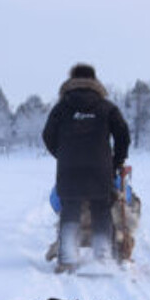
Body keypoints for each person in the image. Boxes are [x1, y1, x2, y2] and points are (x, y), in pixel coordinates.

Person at [42, 63, 131, 272]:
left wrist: (63, 155)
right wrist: (116, 161)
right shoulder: (106, 107)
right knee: (101, 211)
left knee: (70, 211)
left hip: (69, 169)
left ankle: (67, 260)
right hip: (100, 169)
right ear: (94, 81)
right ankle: (102, 259)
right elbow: (123, 135)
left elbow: (47, 135)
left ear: (71, 81)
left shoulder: (61, 108)